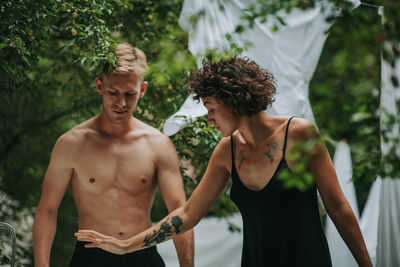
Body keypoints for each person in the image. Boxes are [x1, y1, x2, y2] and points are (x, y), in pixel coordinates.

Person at [75, 56, 372, 267]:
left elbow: (338, 207)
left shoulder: (299, 134)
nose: (209, 118)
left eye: (212, 108)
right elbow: (188, 214)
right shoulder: (226, 152)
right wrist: (127, 245)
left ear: (232, 100)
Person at [33, 43, 194, 267]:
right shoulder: (72, 143)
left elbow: (179, 212)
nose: (121, 103)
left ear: (143, 90)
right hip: (91, 257)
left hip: (143, 256)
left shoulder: (158, 144)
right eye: (113, 93)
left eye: (130, 94)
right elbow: (47, 210)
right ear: (99, 86)